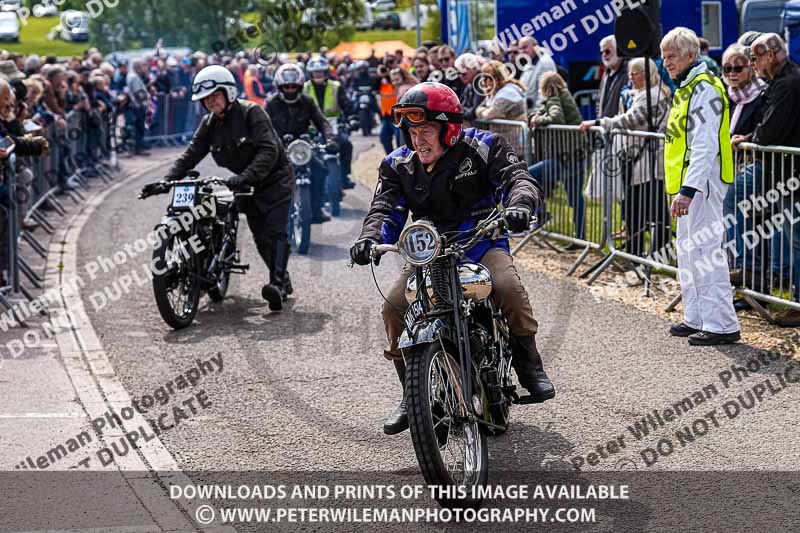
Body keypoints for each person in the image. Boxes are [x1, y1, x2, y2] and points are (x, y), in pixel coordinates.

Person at [349, 82, 555, 435]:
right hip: (429, 252)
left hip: (481, 242)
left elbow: (518, 179)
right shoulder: (398, 164)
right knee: (394, 307)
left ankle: (528, 365)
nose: (418, 141)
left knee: (507, 287)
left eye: (426, 131)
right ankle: (411, 393)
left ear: (449, 129)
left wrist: (520, 206)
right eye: (412, 133)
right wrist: (370, 239)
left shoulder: (485, 146)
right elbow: (385, 209)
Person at [152, 65, 295, 311]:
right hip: (245, 183)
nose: (210, 101)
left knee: (275, 232)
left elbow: (268, 150)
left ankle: (278, 286)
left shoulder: (252, 113)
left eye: (215, 95)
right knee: (260, 237)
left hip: (275, 179)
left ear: (228, 92)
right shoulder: (209, 124)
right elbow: (191, 154)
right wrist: (166, 181)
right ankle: (280, 278)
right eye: (205, 98)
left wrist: (246, 176)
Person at [661, 27, 740, 345]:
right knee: (688, 251)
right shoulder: (686, 87)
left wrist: (688, 190)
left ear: (691, 55)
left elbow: (705, 145)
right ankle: (696, 316)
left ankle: (721, 324)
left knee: (706, 252)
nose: (666, 62)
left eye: (672, 56)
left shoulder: (703, 87)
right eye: (664, 56)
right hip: (691, 183)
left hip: (702, 184)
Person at [733, 33, 800, 325]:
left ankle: (797, 302)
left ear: (770, 55)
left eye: (755, 58)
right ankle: (755, 274)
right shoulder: (782, 80)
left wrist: (749, 139)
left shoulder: (787, 84)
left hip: (791, 172)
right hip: (784, 171)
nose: (752, 64)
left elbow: (770, 131)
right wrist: (752, 137)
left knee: (796, 238)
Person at [580, 58, 671, 257]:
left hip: (646, 160)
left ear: (646, 74)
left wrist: (598, 122)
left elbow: (631, 120)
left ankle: (643, 253)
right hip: (640, 159)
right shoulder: (646, 93)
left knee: (642, 208)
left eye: (634, 74)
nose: (630, 78)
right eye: (629, 73)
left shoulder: (652, 95)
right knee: (644, 207)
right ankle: (644, 252)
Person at [719, 44, 767, 302]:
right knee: (732, 219)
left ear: (750, 66)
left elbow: (765, 127)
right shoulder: (726, 97)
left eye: (738, 67)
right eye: (727, 68)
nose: (732, 73)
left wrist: (745, 140)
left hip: (758, 166)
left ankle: (746, 269)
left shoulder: (762, 94)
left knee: (742, 211)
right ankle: (741, 283)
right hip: (730, 168)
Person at [265, 62, 339, 224]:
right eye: (286, 87)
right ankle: (268, 212)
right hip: (279, 147)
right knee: (266, 175)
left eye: (294, 86)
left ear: (299, 86)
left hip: (302, 148)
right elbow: (263, 128)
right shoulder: (271, 103)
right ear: (279, 87)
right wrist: (269, 144)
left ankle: (316, 209)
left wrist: (330, 139)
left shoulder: (307, 101)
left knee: (320, 170)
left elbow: (322, 122)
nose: (290, 90)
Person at [528, 72, 585, 241]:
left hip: (566, 157)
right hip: (573, 155)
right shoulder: (563, 96)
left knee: (527, 175)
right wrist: (535, 117)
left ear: (545, 87)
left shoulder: (554, 98)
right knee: (576, 198)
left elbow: (556, 117)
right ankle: (580, 238)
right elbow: (540, 113)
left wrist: (537, 120)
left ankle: (541, 213)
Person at [303, 57, 356, 190]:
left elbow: (346, 105)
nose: (318, 74)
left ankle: (344, 176)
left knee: (346, 144)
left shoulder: (335, 86)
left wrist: (353, 118)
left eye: (321, 72)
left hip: (334, 127)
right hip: (311, 128)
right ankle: (304, 180)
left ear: (326, 72)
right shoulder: (304, 88)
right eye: (315, 72)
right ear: (310, 74)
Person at [518, 37, 556, 112]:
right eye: (520, 48)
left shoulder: (545, 63)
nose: (522, 51)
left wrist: (537, 114)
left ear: (535, 46)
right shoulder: (529, 63)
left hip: (537, 114)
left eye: (525, 47)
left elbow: (545, 94)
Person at [596, 36, 629, 119]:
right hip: (605, 124)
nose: (604, 55)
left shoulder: (629, 72)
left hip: (620, 124)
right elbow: (599, 100)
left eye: (607, 51)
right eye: (601, 52)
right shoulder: (606, 73)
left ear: (618, 50)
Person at [454, 53, 485, 124]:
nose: (461, 75)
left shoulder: (481, 82)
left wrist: (462, 112)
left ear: (474, 68)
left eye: (464, 72)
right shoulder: (469, 85)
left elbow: (474, 111)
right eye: (459, 72)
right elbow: (458, 107)